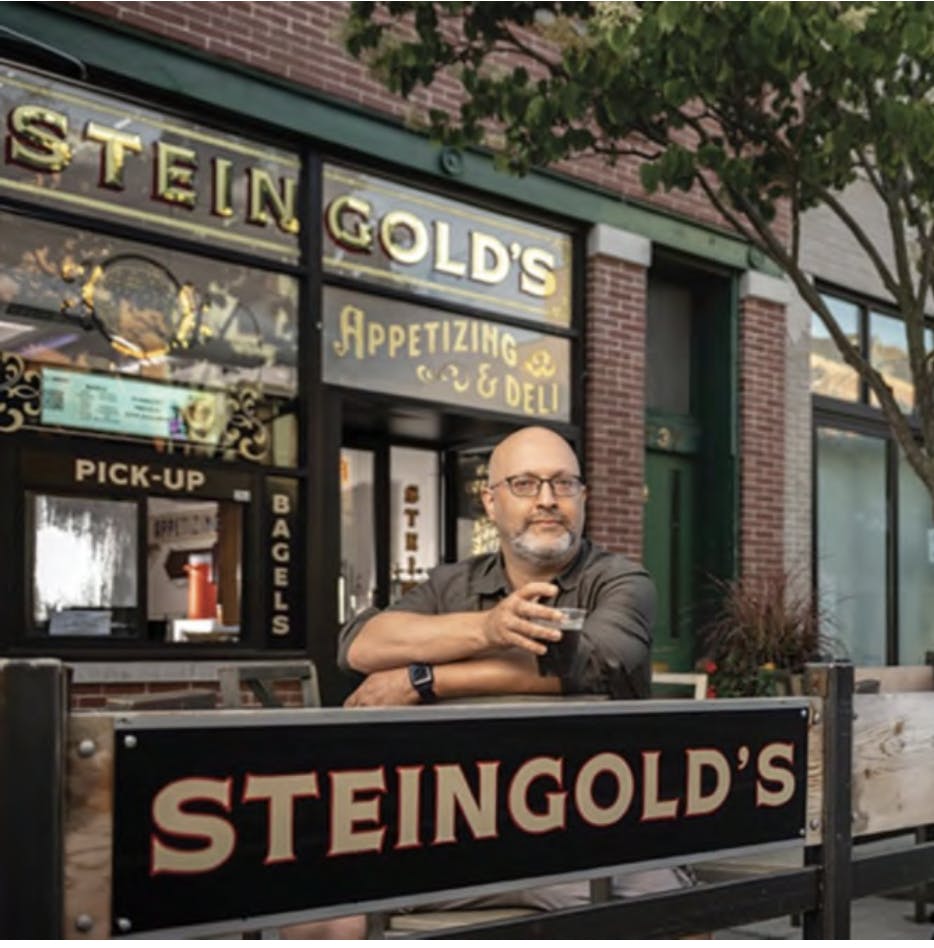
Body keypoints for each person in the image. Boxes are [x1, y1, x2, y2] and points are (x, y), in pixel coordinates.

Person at [283, 425, 687, 939]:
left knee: (677, 922)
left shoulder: (620, 581)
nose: (547, 500)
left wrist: (424, 680)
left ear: (583, 498)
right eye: (525, 484)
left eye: (563, 484)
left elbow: (598, 664)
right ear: (490, 502)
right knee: (312, 912)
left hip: (594, 829)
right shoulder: (453, 584)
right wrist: (486, 627)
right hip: (459, 825)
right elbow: (360, 645)